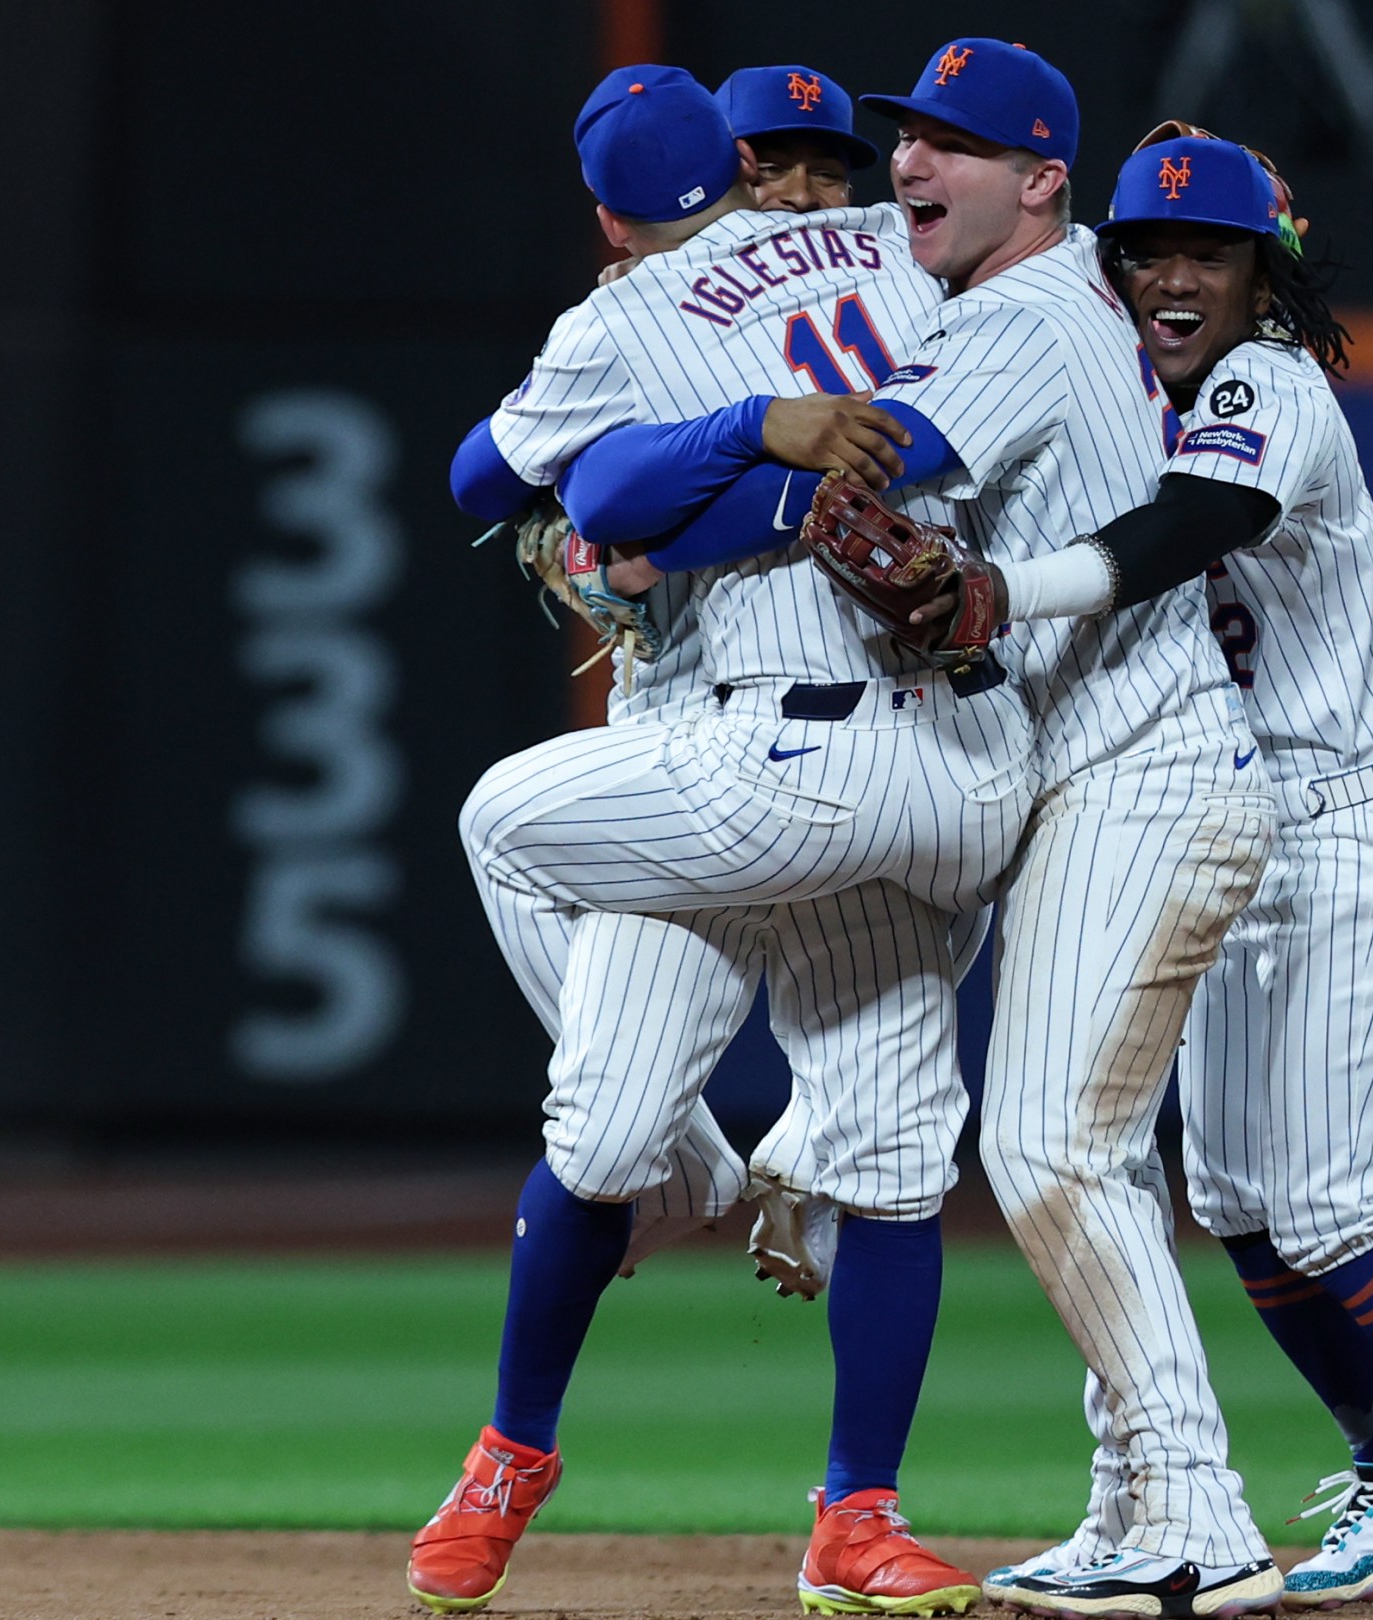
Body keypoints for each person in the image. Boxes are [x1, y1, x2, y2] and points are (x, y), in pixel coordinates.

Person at [556, 39, 1288, 1616]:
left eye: (951, 147)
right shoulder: (1011, 295)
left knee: (1051, 1149)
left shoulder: (1020, 323)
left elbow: (837, 497)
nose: (907, 168)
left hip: (1133, 771)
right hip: (1072, 777)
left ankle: (1201, 1515)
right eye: (905, 141)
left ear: (1043, 179)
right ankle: (1151, 1495)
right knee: (1073, 1156)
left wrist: (636, 507)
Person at [928, 129, 1373, 1616]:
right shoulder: (1118, 391)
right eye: (1152, 252)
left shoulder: (1269, 384)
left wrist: (1009, 590)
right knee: (1245, 1202)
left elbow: (1201, 525)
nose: (1178, 276)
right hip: (1250, 836)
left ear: (1268, 274)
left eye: (1214, 253)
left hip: (1367, 833)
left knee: (1329, 1206)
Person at [411, 62, 1021, 1618]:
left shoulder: (638, 316)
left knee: (890, 1160)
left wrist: (692, 466)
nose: (816, 188)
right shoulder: (897, 251)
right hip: (721, 743)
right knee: (609, 1138)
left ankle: (858, 1518)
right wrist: (724, 460)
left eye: (839, 160)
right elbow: (569, 498)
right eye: (787, 162)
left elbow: (509, 479)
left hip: (842, 739)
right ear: (742, 172)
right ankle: (514, 1443)